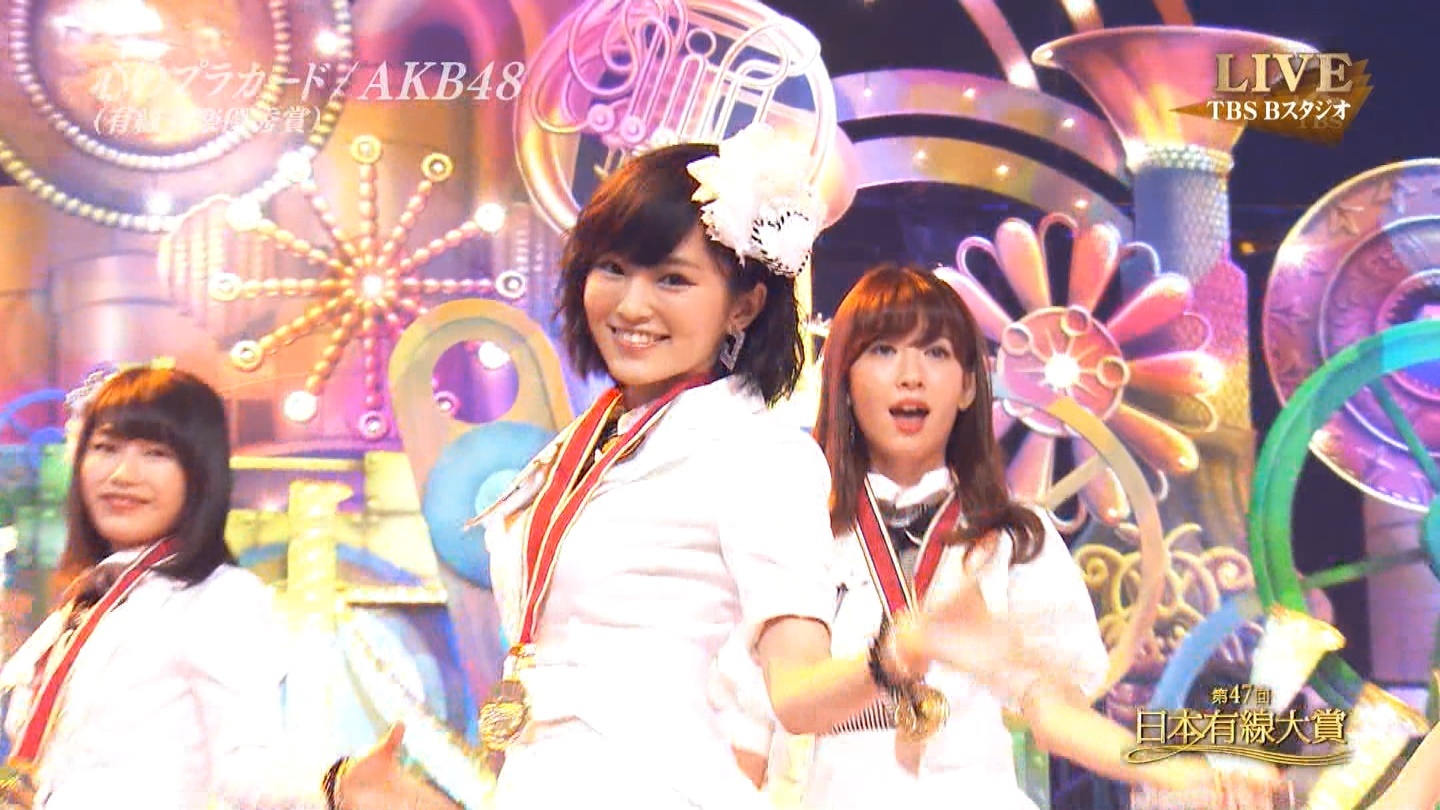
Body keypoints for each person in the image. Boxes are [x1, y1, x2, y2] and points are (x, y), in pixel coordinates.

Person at [472, 126, 981, 810]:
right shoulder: (582, 443)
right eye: (612, 268)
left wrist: (892, 658)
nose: (631, 305)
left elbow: (797, 694)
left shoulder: (758, 454)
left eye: (672, 279)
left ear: (744, 304)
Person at [712, 264, 1281, 810]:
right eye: (883, 351)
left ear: (967, 385)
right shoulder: (799, 529)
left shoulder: (1016, 539)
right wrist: (900, 651)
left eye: (936, 352)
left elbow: (1055, 712)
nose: (911, 374)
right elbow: (755, 729)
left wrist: (1188, 773)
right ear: (844, 379)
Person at [0, 365, 456, 809]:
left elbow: (246, 765)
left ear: (199, 474)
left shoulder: (219, 597)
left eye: (155, 453)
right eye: (106, 448)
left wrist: (337, 786)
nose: (123, 474)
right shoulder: (89, 600)